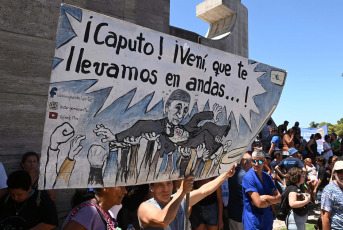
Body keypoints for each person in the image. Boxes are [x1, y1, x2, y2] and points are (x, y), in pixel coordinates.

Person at [138, 164, 236, 230]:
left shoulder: (178, 199)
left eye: (169, 183)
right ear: (152, 188)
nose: (165, 188)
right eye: (160, 184)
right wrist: (181, 192)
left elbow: (204, 191)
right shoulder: (145, 207)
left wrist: (226, 175)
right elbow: (164, 220)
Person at [242, 149, 281, 230]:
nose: (256, 164)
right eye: (254, 161)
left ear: (264, 162)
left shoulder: (267, 176)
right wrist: (271, 200)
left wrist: (265, 197)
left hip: (267, 221)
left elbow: (279, 198)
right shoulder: (248, 177)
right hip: (254, 223)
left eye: (260, 162)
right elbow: (259, 203)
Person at [62, 186, 127, 229]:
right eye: (121, 187)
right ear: (105, 188)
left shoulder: (104, 211)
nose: (125, 191)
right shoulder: (89, 211)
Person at [227, 153, 252, 230]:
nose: (251, 166)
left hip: (232, 212)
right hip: (242, 215)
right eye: (251, 163)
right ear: (245, 163)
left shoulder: (231, 174)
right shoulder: (246, 176)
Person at [321, 160, 343, 229]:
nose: (342, 174)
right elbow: (325, 217)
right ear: (334, 173)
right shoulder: (329, 190)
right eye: (340, 172)